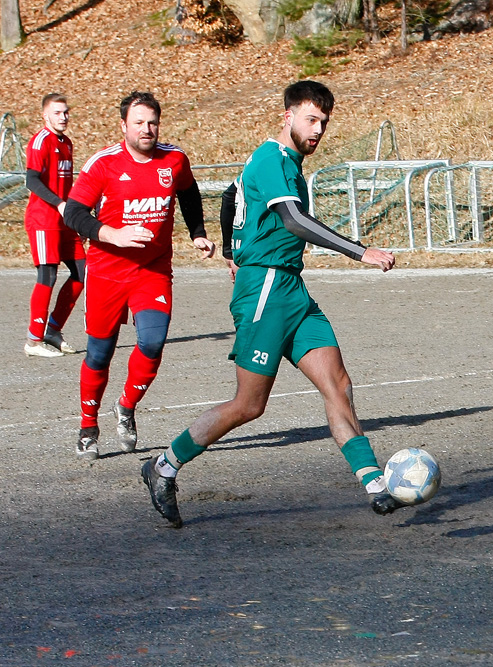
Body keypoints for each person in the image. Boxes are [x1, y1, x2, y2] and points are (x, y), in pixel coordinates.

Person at [140, 80, 400, 529]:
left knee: (338, 384)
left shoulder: (284, 163)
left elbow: (229, 196)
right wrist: (361, 252)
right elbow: (293, 219)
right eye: (310, 119)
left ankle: (374, 483)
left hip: (290, 289)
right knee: (249, 405)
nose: (317, 129)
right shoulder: (271, 158)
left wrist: (230, 249)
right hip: (264, 291)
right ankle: (163, 466)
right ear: (288, 116)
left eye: (324, 122)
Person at [64, 91, 216, 460]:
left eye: (152, 123)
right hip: (106, 273)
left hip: (153, 271)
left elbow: (189, 191)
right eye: (138, 123)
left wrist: (197, 231)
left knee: (152, 342)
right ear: (123, 126)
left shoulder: (174, 159)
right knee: (100, 353)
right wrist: (111, 234)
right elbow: (73, 213)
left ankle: (126, 406)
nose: (146, 130)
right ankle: (88, 425)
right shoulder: (103, 164)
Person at [23, 93, 85, 358]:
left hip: (65, 219)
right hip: (43, 219)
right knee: (47, 275)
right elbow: (31, 181)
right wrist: (59, 203)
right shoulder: (39, 142)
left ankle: (53, 330)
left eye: (66, 112)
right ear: (45, 115)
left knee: (82, 272)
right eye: (58, 113)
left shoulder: (66, 142)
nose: (64, 117)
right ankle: (33, 341)